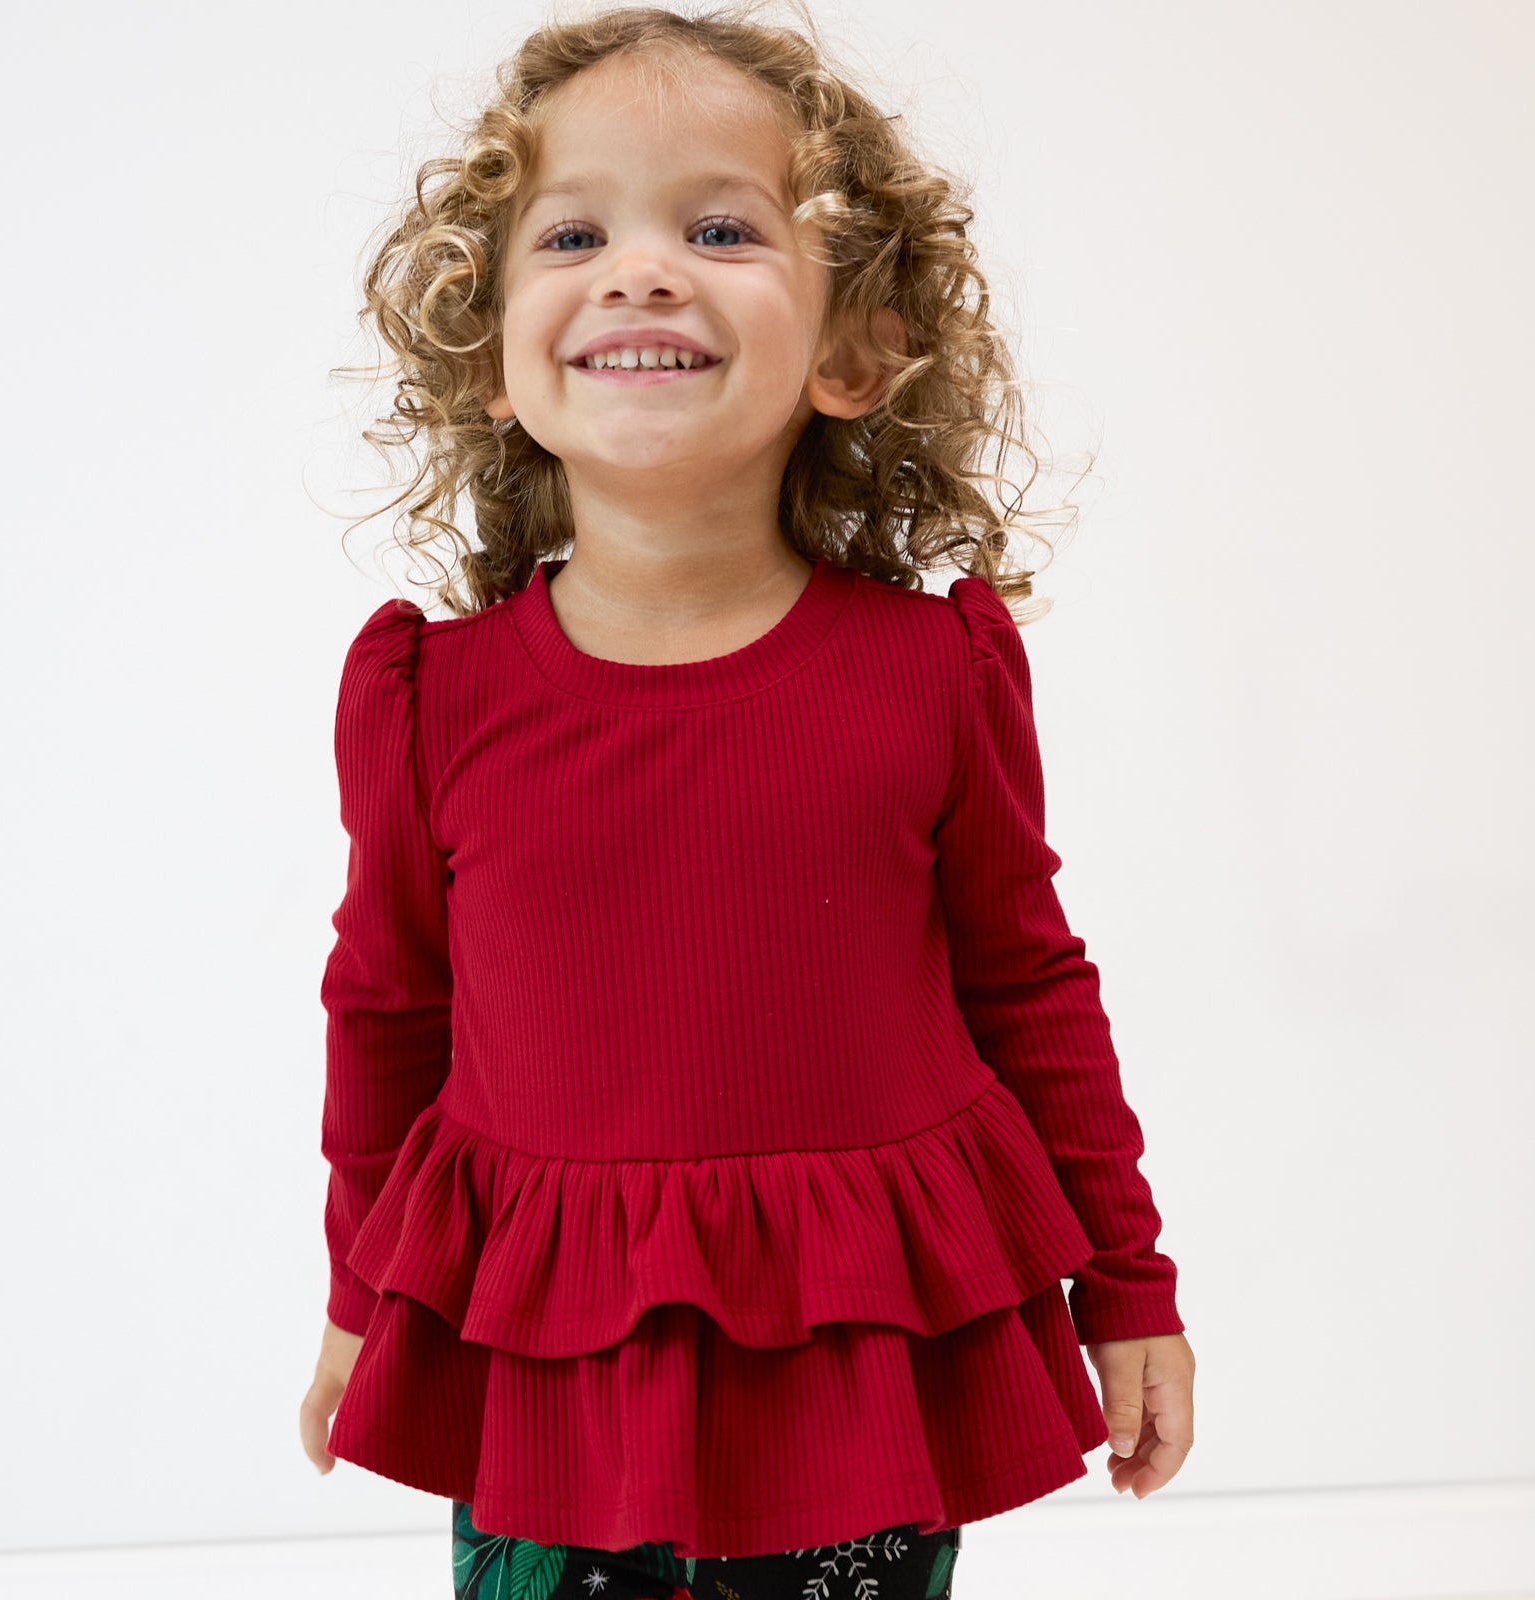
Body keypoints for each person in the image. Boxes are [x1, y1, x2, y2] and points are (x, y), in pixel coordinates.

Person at [297, 3, 1196, 1593]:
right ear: (490, 351)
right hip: (552, 1362)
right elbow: (386, 1012)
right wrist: (360, 1305)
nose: (641, 268)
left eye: (721, 226)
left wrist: (1128, 1286)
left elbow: (1028, 981)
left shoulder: (934, 671)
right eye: (572, 231)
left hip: (853, 1357)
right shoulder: (429, 699)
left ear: (853, 349)